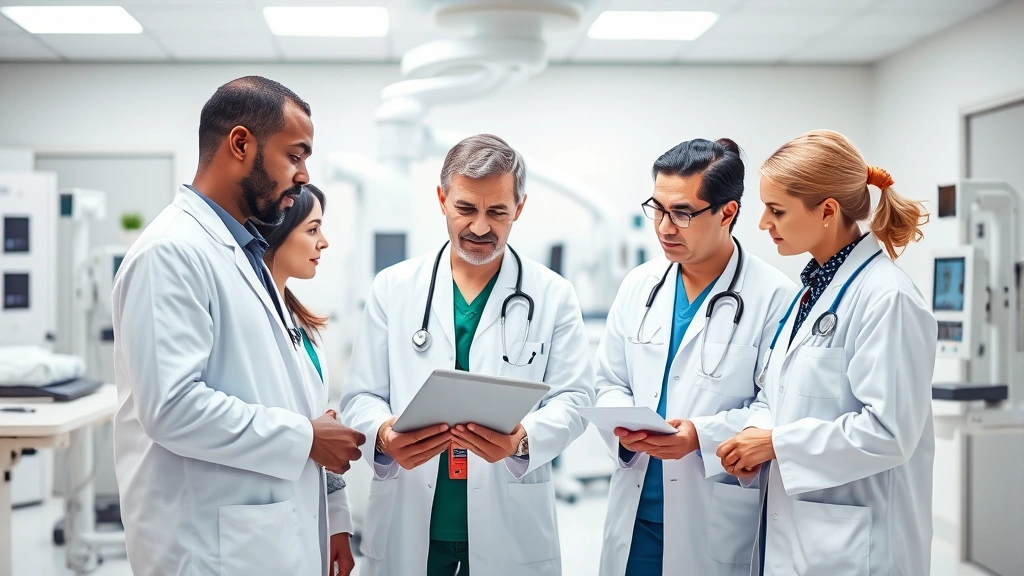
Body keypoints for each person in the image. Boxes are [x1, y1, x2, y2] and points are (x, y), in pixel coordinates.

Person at [111, 76, 365, 576]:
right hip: (208, 547)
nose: (303, 174)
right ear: (241, 143)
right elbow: (173, 408)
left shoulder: (243, 251)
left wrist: (332, 509)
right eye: (295, 155)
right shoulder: (172, 252)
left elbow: (277, 392)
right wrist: (304, 438)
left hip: (259, 535)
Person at [340, 134, 594, 576]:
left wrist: (522, 439)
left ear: (520, 207)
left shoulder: (553, 294)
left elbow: (575, 399)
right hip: (412, 515)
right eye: (465, 209)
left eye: (497, 211)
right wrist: (383, 434)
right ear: (442, 199)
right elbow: (360, 396)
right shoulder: (394, 288)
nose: (480, 227)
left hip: (509, 517)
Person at [717, 129, 937, 576]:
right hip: (803, 533)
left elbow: (889, 432)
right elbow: (778, 395)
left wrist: (776, 443)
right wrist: (755, 436)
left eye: (776, 210)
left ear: (828, 211)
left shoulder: (887, 298)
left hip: (859, 546)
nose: (763, 223)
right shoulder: (811, 291)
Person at [593, 139, 795, 576]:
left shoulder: (775, 296)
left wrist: (698, 437)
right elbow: (608, 380)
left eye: (682, 213)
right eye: (658, 209)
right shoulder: (640, 285)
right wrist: (623, 427)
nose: (665, 227)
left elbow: (775, 407)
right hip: (637, 510)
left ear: (728, 212)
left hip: (713, 509)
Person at [255, 184, 355, 576]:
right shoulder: (255, 324)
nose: (324, 242)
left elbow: (320, 431)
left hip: (309, 516)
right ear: (278, 233)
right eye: (312, 230)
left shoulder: (301, 325)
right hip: (266, 519)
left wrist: (339, 524)